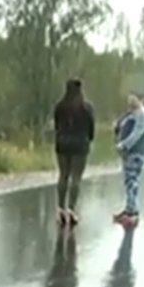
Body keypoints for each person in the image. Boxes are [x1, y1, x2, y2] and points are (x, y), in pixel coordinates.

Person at [53, 78, 95, 226]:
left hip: (62, 143)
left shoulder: (60, 106)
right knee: (76, 177)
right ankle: (71, 209)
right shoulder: (86, 107)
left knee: (63, 175)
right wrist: (88, 139)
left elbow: (57, 124)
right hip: (80, 144)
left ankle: (60, 209)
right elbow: (91, 128)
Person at [113, 93, 144, 227]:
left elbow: (136, 134)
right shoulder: (133, 113)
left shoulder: (143, 115)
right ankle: (129, 208)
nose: (130, 100)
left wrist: (123, 145)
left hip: (136, 153)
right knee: (129, 181)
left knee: (131, 181)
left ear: (141, 99)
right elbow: (120, 126)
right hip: (129, 153)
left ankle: (132, 213)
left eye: (134, 97)